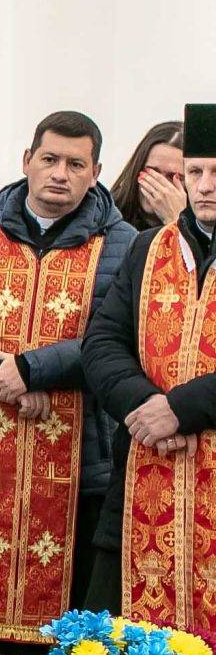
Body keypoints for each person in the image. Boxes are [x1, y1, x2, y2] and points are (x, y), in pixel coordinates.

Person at [0, 110, 134, 645]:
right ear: (27, 161)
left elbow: (112, 338)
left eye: (76, 163)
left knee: (68, 633)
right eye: (49, 159)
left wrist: (32, 370)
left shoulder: (124, 244)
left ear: (96, 172)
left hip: (80, 462)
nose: (59, 174)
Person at [83, 105, 216, 625]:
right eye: (196, 173)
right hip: (145, 474)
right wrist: (146, 405)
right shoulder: (148, 247)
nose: (205, 187)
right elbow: (102, 342)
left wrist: (182, 410)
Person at [109, 121, 188, 235]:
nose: (159, 185)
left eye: (173, 177)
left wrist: (177, 224)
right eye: (152, 172)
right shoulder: (104, 219)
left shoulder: (206, 231)